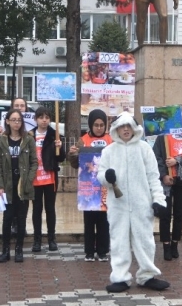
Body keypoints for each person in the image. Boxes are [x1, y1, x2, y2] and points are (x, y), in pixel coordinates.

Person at [98, 113, 169, 293]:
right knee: (119, 241)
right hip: (118, 206)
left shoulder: (144, 148)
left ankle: (147, 275)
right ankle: (120, 277)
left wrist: (158, 200)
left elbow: (154, 176)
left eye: (129, 126)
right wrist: (107, 178)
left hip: (141, 204)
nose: (126, 130)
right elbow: (100, 175)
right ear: (116, 129)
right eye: (122, 127)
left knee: (145, 240)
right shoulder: (108, 151)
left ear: (135, 128)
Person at [68, 109, 113, 262]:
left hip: (105, 188)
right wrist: (73, 154)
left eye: (101, 125)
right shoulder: (83, 140)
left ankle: (102, 251)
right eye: (96, 125)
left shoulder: (111, 140)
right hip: (88, 188)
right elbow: (75, 163)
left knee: (104, 222)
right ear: (90, 125)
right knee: (89, 222)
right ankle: (89, 252)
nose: (99, 128)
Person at [0, 109, 37, 263]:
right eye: (13, 120)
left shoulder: (28, 140)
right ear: (7, 121)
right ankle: (5, 250)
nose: (16, 123)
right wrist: (0, 185)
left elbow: (34, 162)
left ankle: (19, 249)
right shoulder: (2, 141)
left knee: (21, 218)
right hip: (7, 184)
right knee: (7, 218)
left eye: (19, 120)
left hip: (22, 185)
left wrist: (29, 179)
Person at [152, 106, 182, 261]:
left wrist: (178, 160)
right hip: (167, 182)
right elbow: (156, 158)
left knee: (179, 214)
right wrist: (163, 175)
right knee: (165, 214)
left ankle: (175, 243)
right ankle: (165, 245)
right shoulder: (163, 138)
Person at [29, 106, 66, 252]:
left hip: (50, 178)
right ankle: (37, 240)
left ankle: (52, 239)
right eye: (41, 117)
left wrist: (60, 147)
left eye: (47, 117)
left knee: (50, 209)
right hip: (35, 179)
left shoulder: (54, 134)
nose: (44, 120)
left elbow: (61, 158)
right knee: (36, 209)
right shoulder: (29, 135)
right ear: (36, 119)